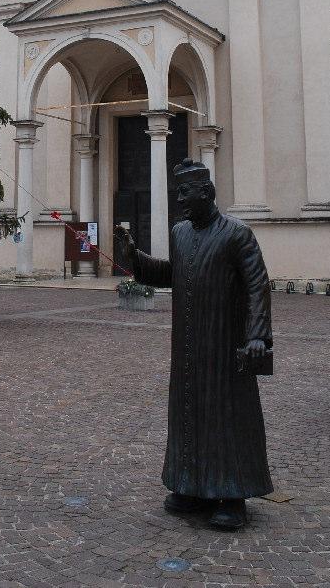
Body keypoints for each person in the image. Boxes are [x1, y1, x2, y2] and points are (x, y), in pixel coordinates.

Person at [127, 159, 273, 531]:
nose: (180, 201)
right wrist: (135, 258)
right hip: (189, 346)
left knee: (226, 415)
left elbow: (258, 286)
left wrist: (257, 336)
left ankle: (232, 494)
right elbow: (173, 274)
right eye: (177, 193)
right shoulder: (180, 233)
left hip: (225, 345)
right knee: (188, 413)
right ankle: (189, 485)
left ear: (206, 193)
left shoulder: (237, 234)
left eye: (185, 194)